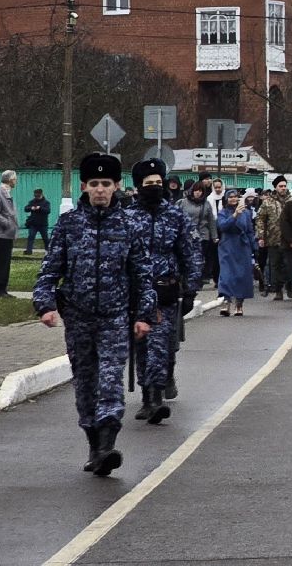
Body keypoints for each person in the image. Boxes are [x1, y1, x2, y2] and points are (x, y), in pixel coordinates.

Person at [32, 153, 155, 476]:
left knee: (111, 379)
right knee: (86, 383)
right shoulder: (69, 225)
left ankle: (107, 442)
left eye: (107, 184)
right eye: (94, 184)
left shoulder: (130, 225)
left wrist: (143, 315)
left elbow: (143, 275)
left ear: (117, 186)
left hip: (115, 317)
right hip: (79, 317)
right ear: (84, 187)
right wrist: (45, 306)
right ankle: (93, 442)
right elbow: (49, 272)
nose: (100, 190)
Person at [129, 158, 202, 424]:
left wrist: (191, 288)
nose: (155, 187)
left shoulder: (175, 215)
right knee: (141, 346)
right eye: (149, 184)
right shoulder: (127, 217)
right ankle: (148, 396)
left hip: (165, 291)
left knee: (161, 345)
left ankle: (157, 394)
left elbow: (190, 253)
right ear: (138, 186)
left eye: (159, 183)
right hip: (136, 294)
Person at [214, 188, 257, 316]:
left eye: (235, 196)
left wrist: (254, 248)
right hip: (227, 245)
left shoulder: (247, 213)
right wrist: (234, 215)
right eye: (230, 197)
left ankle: (239, 304)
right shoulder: (223, 212)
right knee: (226, 274)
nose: (233, 199)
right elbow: (222, 226)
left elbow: (249, 230)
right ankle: (226, 302)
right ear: (226, 199)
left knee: (241, 275)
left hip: (242, 246)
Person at [181, 180, 219, 290]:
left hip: (202, 236)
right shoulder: (183, 203)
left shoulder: (206, 204)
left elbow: (211, 221)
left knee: (200, 260)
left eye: (200, 191)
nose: (198, 193)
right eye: (196, 190)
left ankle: (198, 281)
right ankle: (187, 280)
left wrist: (214, 236)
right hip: (187, 235)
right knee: (187, 259)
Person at [0, 171, 19, 297]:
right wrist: (7, 224)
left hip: (7, 234)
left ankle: (3, 290)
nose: (16, 181)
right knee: (1, 263)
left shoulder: (7, 193)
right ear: (9, 180)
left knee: (5, 263)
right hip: (1, 234)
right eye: (14, 179)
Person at [23, 187, 52, 254]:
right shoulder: (32, 202)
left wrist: (40, 208)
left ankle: (48, 251)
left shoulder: (46, 202)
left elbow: (48, 211)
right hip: (33, 224)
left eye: (38, 196)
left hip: (43, 224)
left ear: (41, 194)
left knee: (45, 238)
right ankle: (29, 251)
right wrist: (31, 208)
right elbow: (26, 208)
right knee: (31, 237)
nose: (37, 197)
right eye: (36, 196)